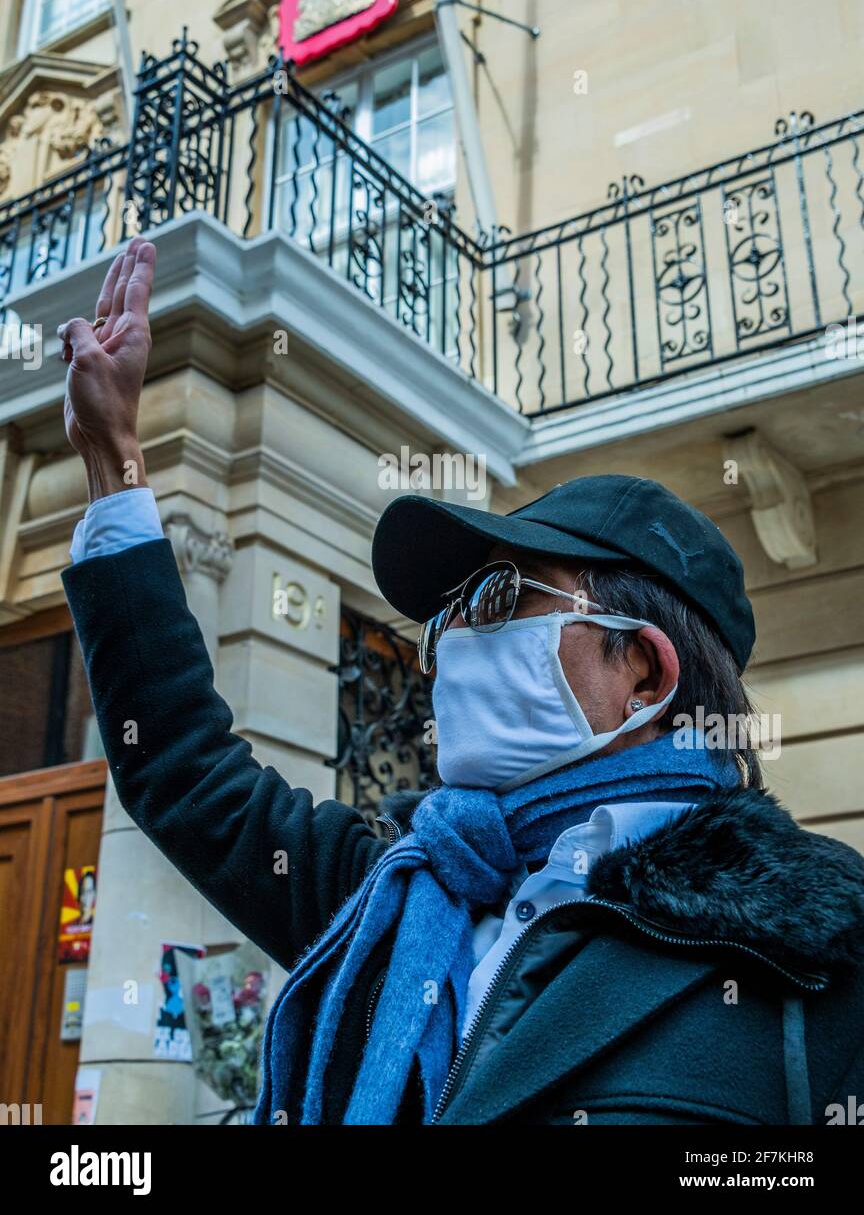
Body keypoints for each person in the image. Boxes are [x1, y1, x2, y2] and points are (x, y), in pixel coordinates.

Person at [58, 237, 864, 1126]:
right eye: (447, 617)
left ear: (642, 670)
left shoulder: (812, 940)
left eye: (495, 597)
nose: (445, 648)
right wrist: (113, 466)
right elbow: (180, 768)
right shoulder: (396, 893)